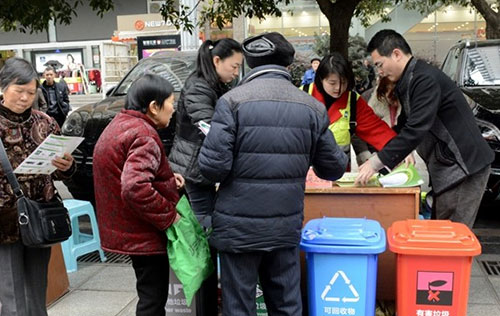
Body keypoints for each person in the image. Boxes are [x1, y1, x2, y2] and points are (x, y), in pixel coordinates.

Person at [198, 32, 348, 316]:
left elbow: (212, 167)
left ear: (251, 63)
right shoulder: (312, 108)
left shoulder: (231, 102)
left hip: (237, 230)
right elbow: (334, 167)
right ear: (288, 65)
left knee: (238, 307)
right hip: (284, 227)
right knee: (286, 305)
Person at [357, 29, 494, 228]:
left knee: (450, 234)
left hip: (463, 167)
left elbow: (415, 129)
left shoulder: (424, 80)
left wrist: (375, 163)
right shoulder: (410, 79)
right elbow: (403, 126)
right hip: (449, 166)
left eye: (380, 64)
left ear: (396, 54)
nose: (379, 72)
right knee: (440, 230)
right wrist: (394, 153)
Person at [93, 74, 184, 316]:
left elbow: (128, 171)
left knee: (149, 295)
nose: (173, 109)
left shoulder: (120, 124)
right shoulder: (144, 134)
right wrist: (169, 216)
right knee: (152, 301)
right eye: (171, 102)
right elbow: (135, 187)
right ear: (154, 106)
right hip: (144, 233)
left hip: (129, 230)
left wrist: (166, 179)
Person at [168, 38, 243, 316]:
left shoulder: (215, 84)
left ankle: (210, 302)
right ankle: (204, 306)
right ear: (216, 61)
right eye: (234, 66)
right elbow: (209, 127)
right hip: (192, 173)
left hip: (200, 171)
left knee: (207, 234)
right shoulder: (199, 86)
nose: (236, 72)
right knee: (202, 237)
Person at [0, 57, 75, 316]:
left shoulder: (45, 122)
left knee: (36, 293)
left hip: (39, 217)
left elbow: (63, 172)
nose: (25, 98)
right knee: (12, 298)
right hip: (4, 222)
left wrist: (66, 166)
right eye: (18, 91)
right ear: (2, 88)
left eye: (31, 92)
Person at [301, 52, 399, 169]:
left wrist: (400, 150)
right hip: (305, 170)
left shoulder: (352, 100)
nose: (338, 88)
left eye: (343, 82)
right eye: (332, 83)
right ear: (321, 79)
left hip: (338, 171)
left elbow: (376, 129)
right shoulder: (302, 95)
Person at [353, 76, 402, 165]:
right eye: (389, 93)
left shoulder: (404, 102)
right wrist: (363, 153)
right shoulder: (368, 98)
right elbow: (357, 128)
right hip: (373, 152)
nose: (393, 98)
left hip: (396, 150)